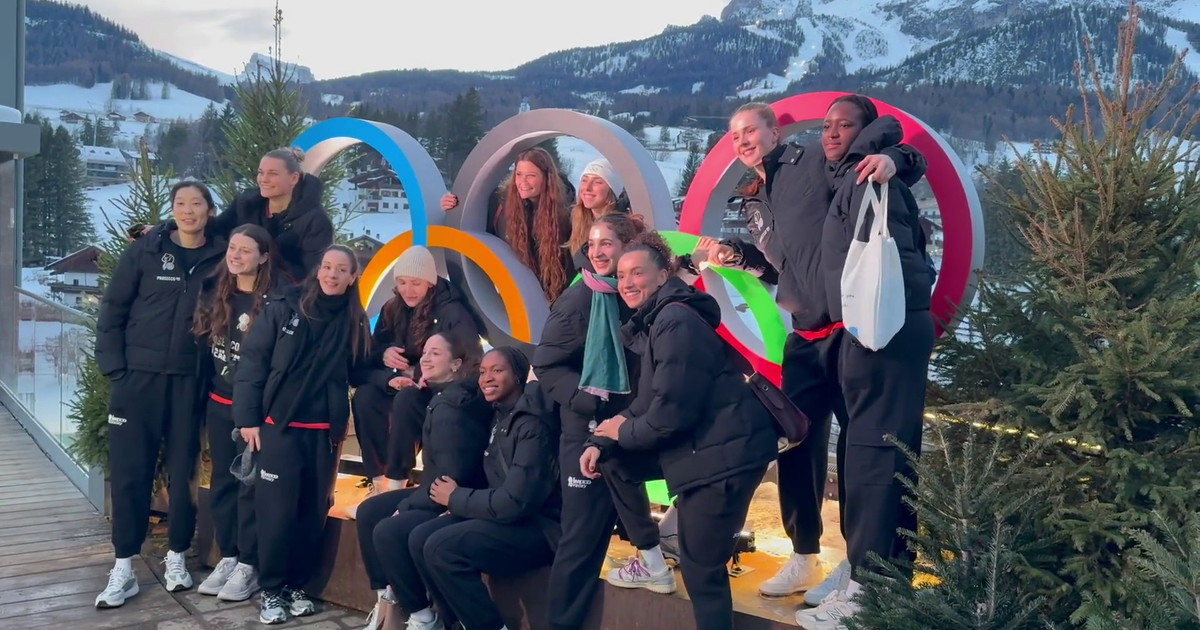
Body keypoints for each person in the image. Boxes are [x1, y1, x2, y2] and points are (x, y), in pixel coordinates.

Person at [704, 100, 927, 602]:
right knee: (796, 442)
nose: (743, 141)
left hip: (848, 330)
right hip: (803, 334)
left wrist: (899, 160)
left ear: (773, 130)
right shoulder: (754, 196)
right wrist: (742, 258)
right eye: (734, 134)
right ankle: (803, 553)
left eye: (751, 131)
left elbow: (880, 166)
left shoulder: (811, 162)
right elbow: (785, 267)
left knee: (859, 450)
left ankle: (855, 563)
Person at [580, 233, 778, 630]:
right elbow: (650, 401)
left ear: (663, 275)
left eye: (638, 272)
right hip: (700, 447)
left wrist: (623, 432)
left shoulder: (674, 321)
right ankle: (652, 559)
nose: (628, 282)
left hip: (725, 457)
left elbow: (669, 416)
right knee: (614, 459)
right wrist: (603, 438)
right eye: (622, 275)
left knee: (702, 567)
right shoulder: (659, 319)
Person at [792, 96, 936, 630]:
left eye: (844, 124)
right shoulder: (850, 173)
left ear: (865, 130)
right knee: (876, 452)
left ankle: (868, 590)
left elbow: (894, 269)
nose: (831, 132)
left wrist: (897, 157)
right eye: (826, 124)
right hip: (872, 331)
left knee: (875, 455)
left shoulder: (876, 174)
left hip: (883, 332)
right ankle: (875, 572)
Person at [533, 212, 672, 630]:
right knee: (580, 543)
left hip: (627, 430)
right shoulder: (580, 299)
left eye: (606, 243)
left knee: (630, 500)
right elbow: (546, 363)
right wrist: (590, 402)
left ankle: (651, 560)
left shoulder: (639, 294)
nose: (595, 253)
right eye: (591, 244)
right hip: (585, 433)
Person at [94, 181, 227, 608]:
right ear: (173, 210)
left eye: (197, 204)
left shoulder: (221, 257)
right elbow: (113, 308)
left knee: (184, 470)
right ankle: (124, 566)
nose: (189, 211)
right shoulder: (146, 250)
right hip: (138, 380)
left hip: (189, 380)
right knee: (131, 472)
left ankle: (176, 557)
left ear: (209, 210)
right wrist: (116, 368)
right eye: (181, 204)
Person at [232, 245, 372, 625]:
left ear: (351, 277)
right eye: (326, 266)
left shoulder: (353, 320)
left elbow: (361, 370)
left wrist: (391, 371)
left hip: (324, 432)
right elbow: (254, 360)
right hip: (279, 427)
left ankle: (297, 585)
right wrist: (248, 418)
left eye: (340, 270)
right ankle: (271, 589)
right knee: (276, 513)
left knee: (313, 511)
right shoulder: (285, 307)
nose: (331, 274)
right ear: (318, 270)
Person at [406, 347, 560, 630]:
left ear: (517, 376)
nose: (487, 378)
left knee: (442, 548)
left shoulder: (532, 425)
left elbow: (515, 502)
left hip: (539, 530)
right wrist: (459, 510)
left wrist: (456, 499)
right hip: (506, 520)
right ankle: (455, 622)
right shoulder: (498, 415)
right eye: (482, 371)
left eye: (497, 371)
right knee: (419, 538)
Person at [351, 331, 491, 630]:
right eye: (424, 351)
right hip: (435, 488)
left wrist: (408, 502)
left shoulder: (457, 404)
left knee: (390, 529)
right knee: (369, 512)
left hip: (457, 495)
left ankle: (422, 614)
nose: (425, 358)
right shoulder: (432, 396)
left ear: (455, 364)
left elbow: (453, 473)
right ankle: (389, 597)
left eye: (435, 353)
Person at [191, 224, 281, 602]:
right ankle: (228, 555)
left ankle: (250, 563)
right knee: (224, 484)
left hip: (256, 414)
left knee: (251, 486)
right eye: (233, 247)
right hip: (219, 402)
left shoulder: (277, 301)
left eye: (246, 250)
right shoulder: (215, 291)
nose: (236, 255)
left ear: (263, 257)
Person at [351, 245, 485, 494]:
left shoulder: (452, 311)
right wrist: (385, 357)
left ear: (430, 283)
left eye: (415, 283)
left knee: (408, 399)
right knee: (366, 397)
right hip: (399, 382)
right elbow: (366, 361)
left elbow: (472, 362)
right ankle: (378, 481)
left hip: (439, 390)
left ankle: (397, 479)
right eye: (402, 282)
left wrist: (419, 377)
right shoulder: (392, 308)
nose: (407, 290)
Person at [440, 147, 573, 301]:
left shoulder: (565, 209)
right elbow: (475, 232)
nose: (522, 182)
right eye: (519, 174)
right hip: (512, 293)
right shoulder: (500, 203)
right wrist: (453, 205)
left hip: (554, 295)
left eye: (531, 176)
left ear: (547, 178)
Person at [214, 147, 334, 282]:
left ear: (293, 178)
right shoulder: (245, 204)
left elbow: (311, 275)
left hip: (285, 296)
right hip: (236, 288)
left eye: (273, 173)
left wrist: (262, 262)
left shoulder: (315, 221)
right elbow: (214, 234)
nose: (264, 179)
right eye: (261, 172)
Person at [567, 158, 630, 272]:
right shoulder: (574, 221)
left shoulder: (623, 228)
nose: (587, 188)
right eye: (584, 180)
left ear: (612, 190)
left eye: (597, 182)